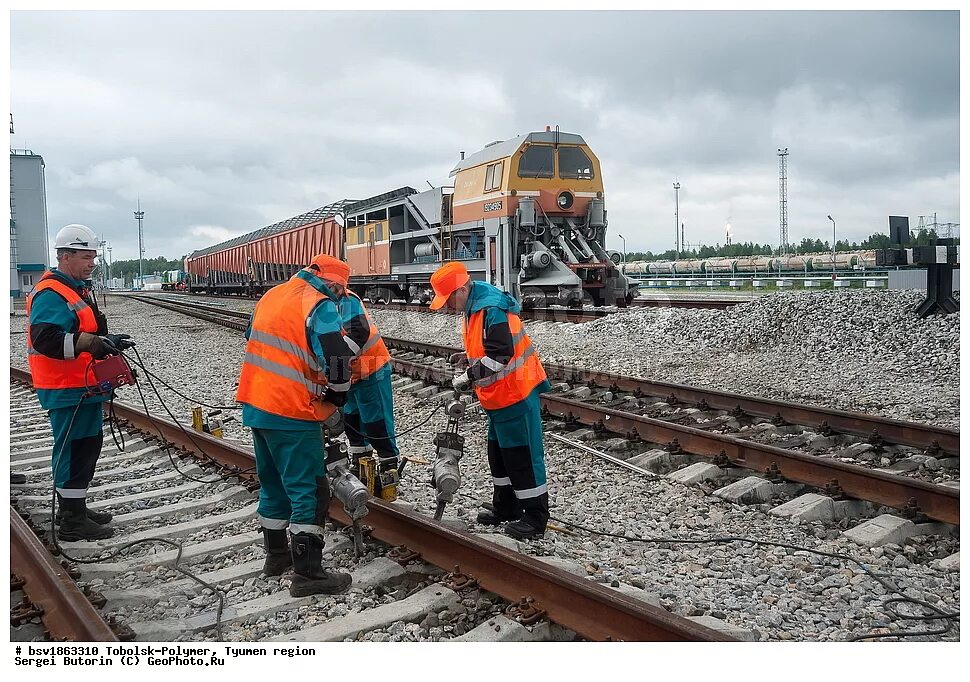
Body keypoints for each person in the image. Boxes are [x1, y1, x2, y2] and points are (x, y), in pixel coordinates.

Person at [236, 253, 355, 596]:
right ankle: (308, 574)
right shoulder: (319, 304)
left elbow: (253, 338)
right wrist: (337, 397)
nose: (339, 300)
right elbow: (336, 358)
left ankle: (276, 557)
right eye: (340, 293)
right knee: (309, 491)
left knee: (272, 484)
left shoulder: (272, 295)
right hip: (291, 410)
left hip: (258, 404)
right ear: (332, 284)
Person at [428, 261, 552, 540]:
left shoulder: (490, 308)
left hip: (515, 393)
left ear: (461, 289)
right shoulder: (476, 305)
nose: (448, 306)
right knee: (499, 455)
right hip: (499, 397)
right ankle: (506, 507)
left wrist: (468, 375)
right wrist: (468, 357)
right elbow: (489, 347)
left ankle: (534, 518)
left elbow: (500, 355)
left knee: (522, 456)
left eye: (448, 299)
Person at [26, 224, 134, 541]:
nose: (92, 263)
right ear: (66, 256)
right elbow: (46, 340)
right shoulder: (51, 293)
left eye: (94, 257)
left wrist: (105, 340)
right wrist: (90, 343)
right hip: (64, 387)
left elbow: (82, 330)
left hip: (82, 386)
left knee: (87, 445)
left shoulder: (75, 288)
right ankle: (71, 521)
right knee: (73, 449)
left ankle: (76, 506)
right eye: (87, 257)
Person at [335, 281, 400, 498]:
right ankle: (361, 468)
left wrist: (337, 366)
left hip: (371, 369)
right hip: (350, 377)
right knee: (353, 423)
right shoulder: (322, 303)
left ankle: (388, 471)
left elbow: (358, 334)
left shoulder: (347, 301)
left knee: (377, 423)